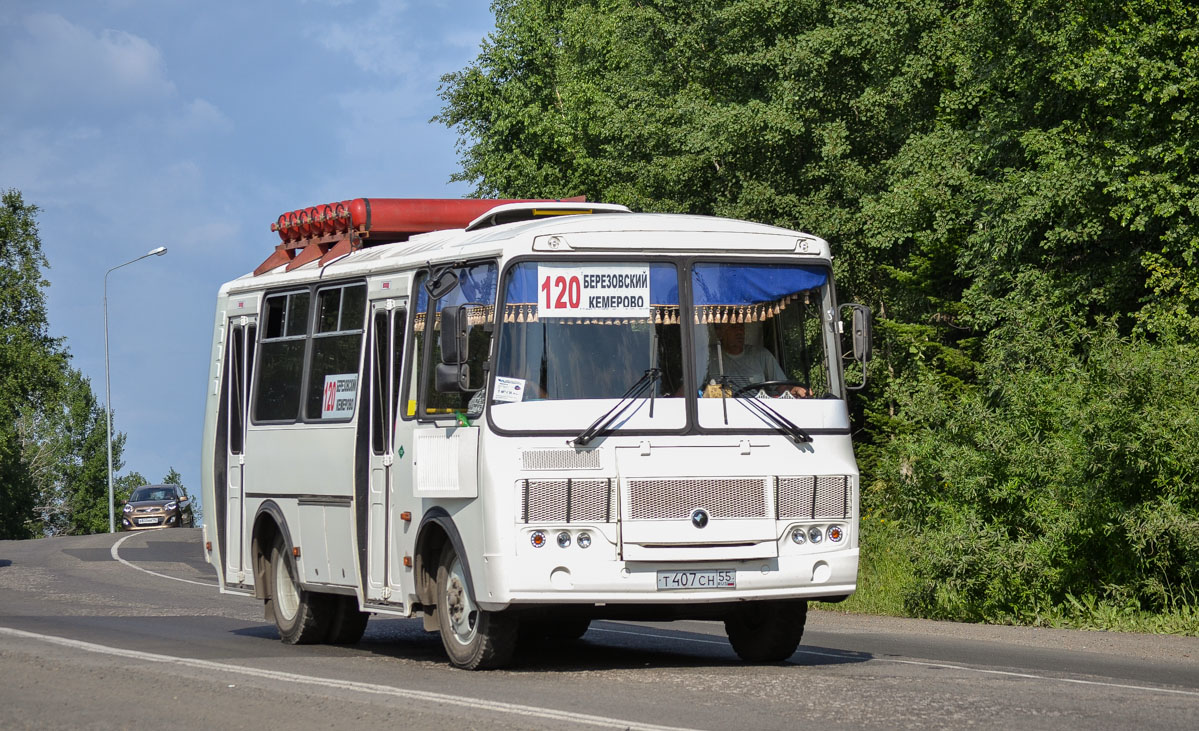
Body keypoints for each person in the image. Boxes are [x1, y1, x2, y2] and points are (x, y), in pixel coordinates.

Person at [705, 322, 810, 398]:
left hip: (759, 415)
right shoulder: (708, 357)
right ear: (719, 332)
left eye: (741, 326)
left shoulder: (761, 355)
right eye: (733, 327)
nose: (740, 331)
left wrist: (795, 390)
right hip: (723, 417)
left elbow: (781, 387)